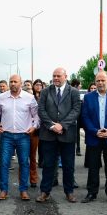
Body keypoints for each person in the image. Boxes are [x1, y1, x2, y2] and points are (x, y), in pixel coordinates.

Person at [36, 68, 81, 203]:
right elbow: (41, 110)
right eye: (54, 76)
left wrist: (62, 125)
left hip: (67, 134)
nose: (56, 78)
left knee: (68, 165)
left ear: (65, 77)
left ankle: (69, 192)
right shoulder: (45, 92)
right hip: (49, 135)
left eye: (58, 76)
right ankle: (45, 192)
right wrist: (52, 125)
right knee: (48, 164)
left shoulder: (73, 92)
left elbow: (76, 110)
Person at [81, 71, 107, 204]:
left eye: (102, 80)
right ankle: (91, 193)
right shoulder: (88, 97)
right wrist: (95, 131)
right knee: (93, 166)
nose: (100, 83)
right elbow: (85, 116)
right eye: (97, 80)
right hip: (94, 137)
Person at [0, 74, 39, 201]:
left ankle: (23, 190)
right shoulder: (1, 98)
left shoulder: (29, 98)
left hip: (23, 136)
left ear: (21, 83)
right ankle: (3, 190)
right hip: (6, 135)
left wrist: (34, 126)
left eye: (15, 81)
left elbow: (36, 116)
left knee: (24, 163)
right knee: (4, 163)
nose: (13, 84)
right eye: (11, 81)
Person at [30, 79, 44, 187]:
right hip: (31, 129)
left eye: (40, 85)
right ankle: (32, 178)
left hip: (43, 129)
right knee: (31, 155)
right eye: (37, 85)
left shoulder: (44, 97)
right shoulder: (30, 98)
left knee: (42, 155)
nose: (38, 86)